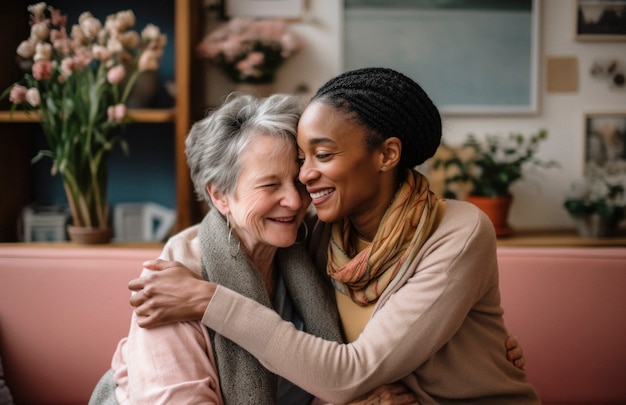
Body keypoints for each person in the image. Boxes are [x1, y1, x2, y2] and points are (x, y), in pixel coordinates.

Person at [131, 67, 538, 404]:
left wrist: (210, 302)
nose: (300, 189)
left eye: (318, 158)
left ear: (387, 155)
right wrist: (133, 363)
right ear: (218, 196)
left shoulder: (452, 231)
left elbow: (350, 372)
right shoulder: (318, 235)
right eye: (300, 162)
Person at [90, 93, 422, 405]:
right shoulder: (171, 285)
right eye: (270, 185)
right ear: (219, 195)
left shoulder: (310, 252)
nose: (294, 202)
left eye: (299, 181)